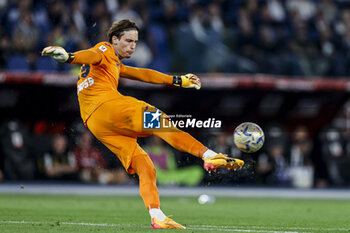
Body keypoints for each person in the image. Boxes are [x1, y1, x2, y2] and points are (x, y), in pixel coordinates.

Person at [42, 19, 244, 229]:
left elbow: (141, 74)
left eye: (136, 42)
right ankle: (209, 156)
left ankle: (156, 215)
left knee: (145, 166)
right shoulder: (105, 49)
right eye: (128, 41)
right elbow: (91, 54)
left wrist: (176, 80)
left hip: (97, 125)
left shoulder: (113, 63)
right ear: (114, 39)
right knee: (162, 123)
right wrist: (69, 57)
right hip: (108, 107)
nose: (133, 46)